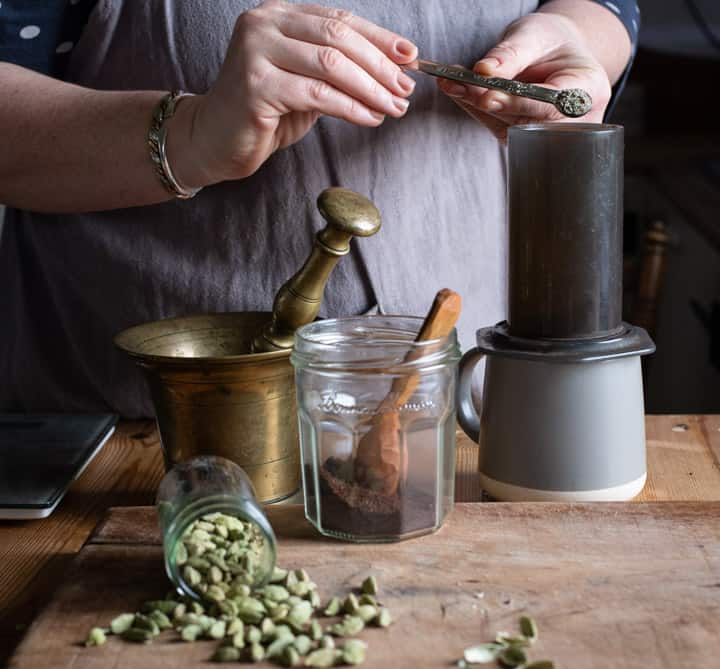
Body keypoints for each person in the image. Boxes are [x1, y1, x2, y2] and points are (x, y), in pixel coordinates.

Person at [0, 0, 639, 417]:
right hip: (144, 447)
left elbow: (610, 11)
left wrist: (580, 36)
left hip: (480, 419)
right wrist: (188, 134)